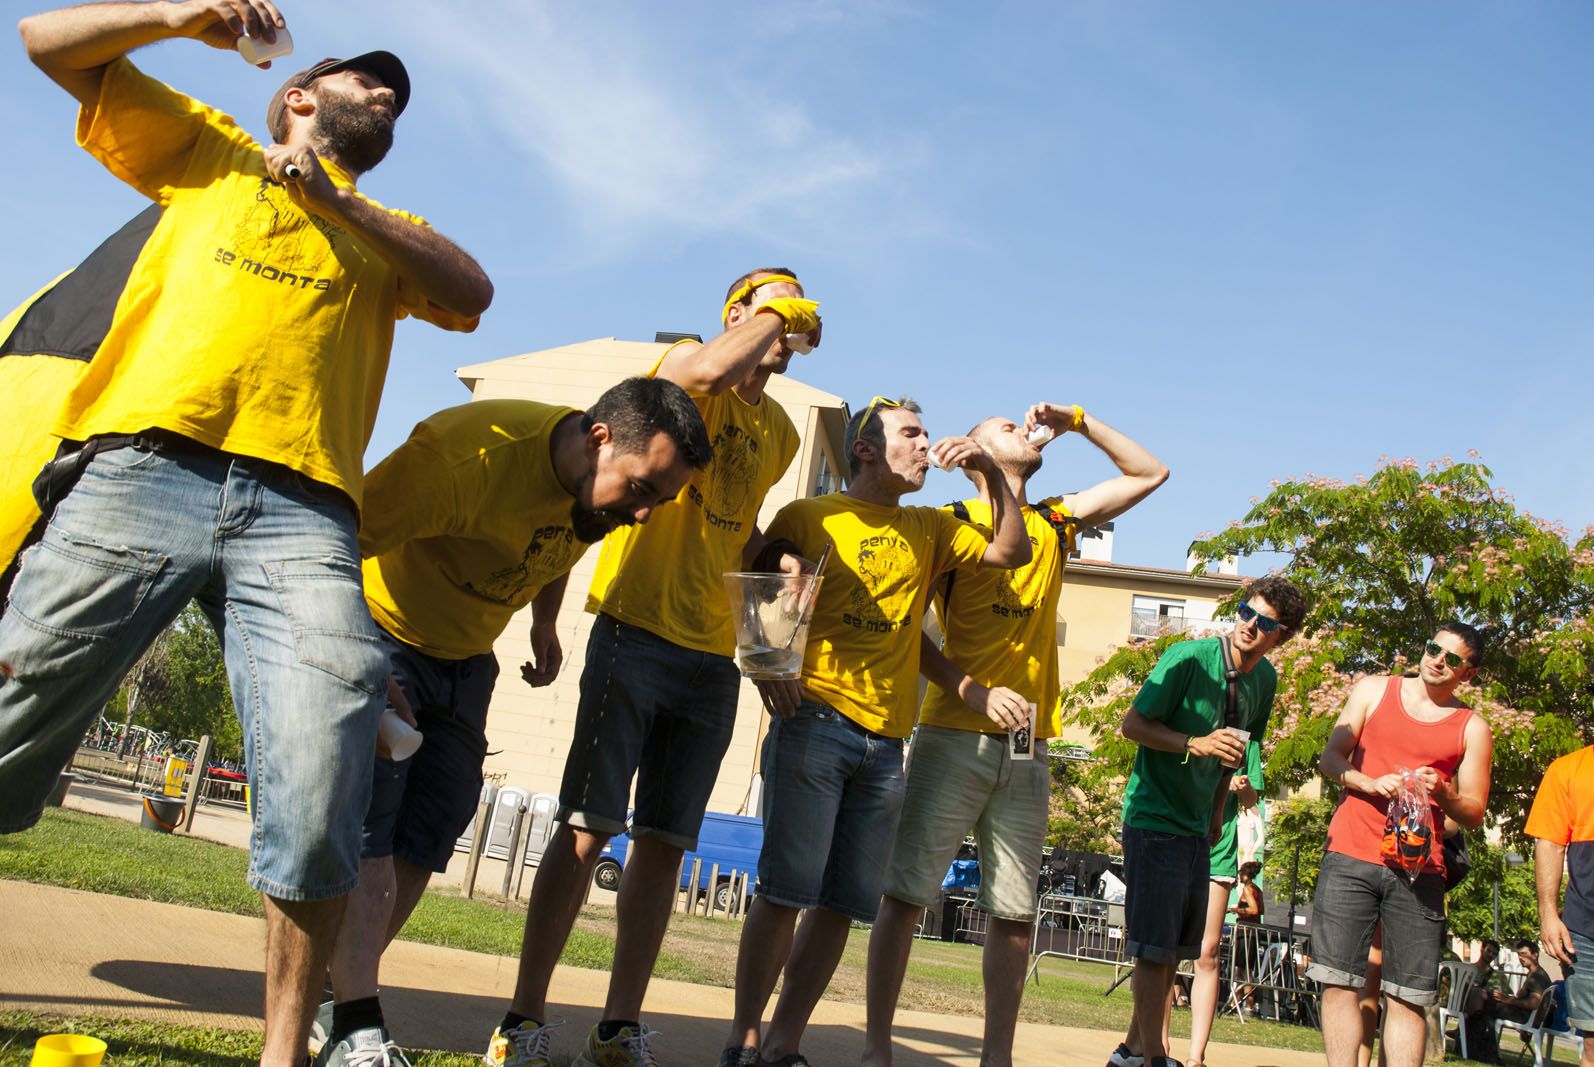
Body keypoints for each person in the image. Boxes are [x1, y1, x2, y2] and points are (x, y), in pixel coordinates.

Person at [1, 4, 492, 1065]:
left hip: (303, 512)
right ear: (298, 97)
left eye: (397, 94)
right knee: (14, 697)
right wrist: (183, 17)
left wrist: (338, 204)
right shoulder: (207, 157)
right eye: (369, 80)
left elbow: (472, 293)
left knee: (322, 774)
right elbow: (43, 41)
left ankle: (282, 1055)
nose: (390, 95)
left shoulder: (383, 231)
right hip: (144, 463)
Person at [309, 379, 711, 1067]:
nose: (645, 515)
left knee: (436, 819)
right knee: (374, 825)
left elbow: (558, 536)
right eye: (644, 490)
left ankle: (334, 994)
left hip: (466, 658)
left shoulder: (597, 498)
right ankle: (353, 1022)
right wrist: (361, 659)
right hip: (384, 635)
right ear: (599, 438)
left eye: (660, 501)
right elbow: (331, 542)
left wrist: (545, 618)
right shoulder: (464, 459)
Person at [484, 270, 821, 1067]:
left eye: (798, 312)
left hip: (711, 659)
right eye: (775, 306)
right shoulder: (684, 368)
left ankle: (618, 1026)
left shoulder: (783, 431)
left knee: (665, 843)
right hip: (634, 629)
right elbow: (701, 374)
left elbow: (737, 536)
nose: (791, 325)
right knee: (585, 826)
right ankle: (523, 1018)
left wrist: (775, 604)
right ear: (737, 314)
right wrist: (770, 318)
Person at [723, 396, 1032, 1067]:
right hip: (815, 723)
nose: (926, 445)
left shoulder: (929, 528)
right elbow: (760, 583)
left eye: (927, 434)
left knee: (839, 904)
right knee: (784, 891)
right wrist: (766, 662)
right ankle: (743, 1040)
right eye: (910, 434)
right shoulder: (811, 516)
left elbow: (1011, 549)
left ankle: (783, 1043)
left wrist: (992, 474)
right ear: (866, 447)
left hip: (888, 745)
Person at [862, 402, 1168, 1067]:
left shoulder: (1056, 519)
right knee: (909, 893)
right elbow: (909, 631)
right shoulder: (953, 526)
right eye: (1003, 427)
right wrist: (971, 689)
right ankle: (877, 1047)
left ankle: (995, 1057)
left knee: (1012, 910)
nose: (1021, 430)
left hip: (1030, 742)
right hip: (952, 731)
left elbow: (1151, 472)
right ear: (972, 452)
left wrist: (1080, 421)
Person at [1106, 574, 1308, 1067]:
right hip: (1154, 818)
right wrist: (1191, 742)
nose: (1249, 626)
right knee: (1155, 947)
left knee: (1177, 946)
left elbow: (1237, 751)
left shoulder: (1266, 680)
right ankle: (1154, 1058)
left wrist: (1217, 812)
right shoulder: (1188, 659)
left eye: (1264, 623)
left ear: (1282, 636)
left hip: (1198, 826)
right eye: (1246, 612)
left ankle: (1132, 1051)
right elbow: (1131, 725)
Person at [1308, 624, 1494, 1067]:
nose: (1437, 660)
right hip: (1351, 853)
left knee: (1409, 995)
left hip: (1419, 871)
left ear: (1467, 674)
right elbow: (1331, 759)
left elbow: (1473, 811)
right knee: (1339, 982)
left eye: (1452, 659)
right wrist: (1368, 782)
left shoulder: (1472, 727)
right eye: (1433, 648)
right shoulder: (1374, 690)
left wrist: (1444, 793)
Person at [1186, 745, 1264, 1067]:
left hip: (1218, 848)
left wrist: (1242, 789)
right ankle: (1156, 1049)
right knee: (1166, 949)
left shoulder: (1247, 738)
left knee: (1208, 950)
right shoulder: (1190, 714)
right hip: (1177, 834)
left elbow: (1252, 800)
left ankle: (1195, 1057)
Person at [1527, 742, 1594, 1067]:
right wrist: (1548, 915)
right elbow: (1550, 843)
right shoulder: (1569, 769)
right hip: (1586, 930)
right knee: (1593, 1046)